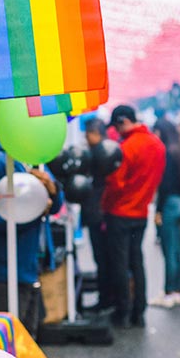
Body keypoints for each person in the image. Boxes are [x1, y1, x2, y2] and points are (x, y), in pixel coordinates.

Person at [0, 134, 62, 338]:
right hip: (6, 265)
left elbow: (53, 206)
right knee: (8, 338)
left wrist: (52, 189)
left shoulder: (35, 160)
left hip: (31, 262)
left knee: (28, 338)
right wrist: (29, 214)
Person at [102, 105, 166, 328]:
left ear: (122, 122)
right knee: (137, 261)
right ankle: (139, 310)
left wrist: (105, 204)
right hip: (141, 211)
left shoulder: (127, 148)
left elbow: (116, 184)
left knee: (120, 263)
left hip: (120, 212)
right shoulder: (157, 145)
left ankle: (123, 310)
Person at [150, 119, 180, 308]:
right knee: (177, 250)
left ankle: (169, 291)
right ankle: (178, 290)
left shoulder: (166, 153)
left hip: (169, 204)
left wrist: (158, 209)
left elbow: (164, 186)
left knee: (169, 249)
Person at [80, 117, 112, 311]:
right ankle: (108, 298)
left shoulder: (98, 155)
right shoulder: (105, 152)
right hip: (101, 212)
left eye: (88, 133)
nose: (85, 137)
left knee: (102, 258)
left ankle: (106, 299)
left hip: (98, 213)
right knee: (104, 258)